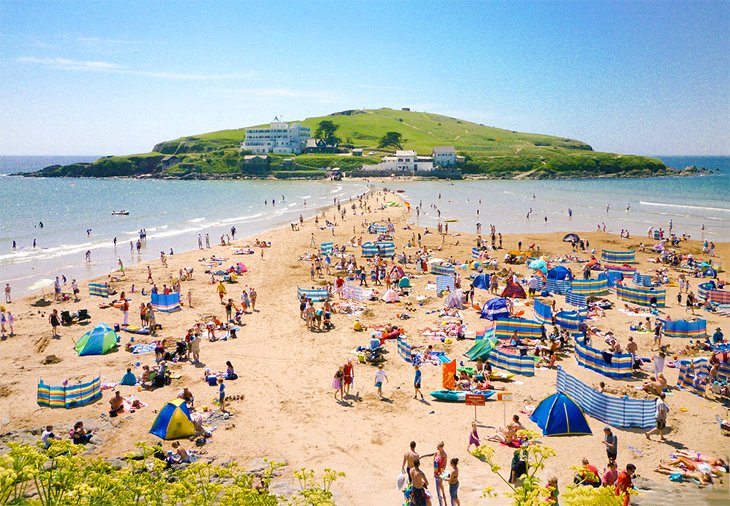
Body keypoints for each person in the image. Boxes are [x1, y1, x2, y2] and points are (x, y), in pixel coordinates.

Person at [433, 442, 447, 506]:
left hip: (441, 473)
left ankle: (444, 500)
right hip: (436, 472)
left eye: (438, 447)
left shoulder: (444, 455)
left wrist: (440, 473)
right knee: (437, 489)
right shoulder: (436, 452)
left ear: (442, 447)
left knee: (440, 486)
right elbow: (434, 462)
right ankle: (440, 503)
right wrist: (435, 471)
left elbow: (444, 466)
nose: (437, 447)